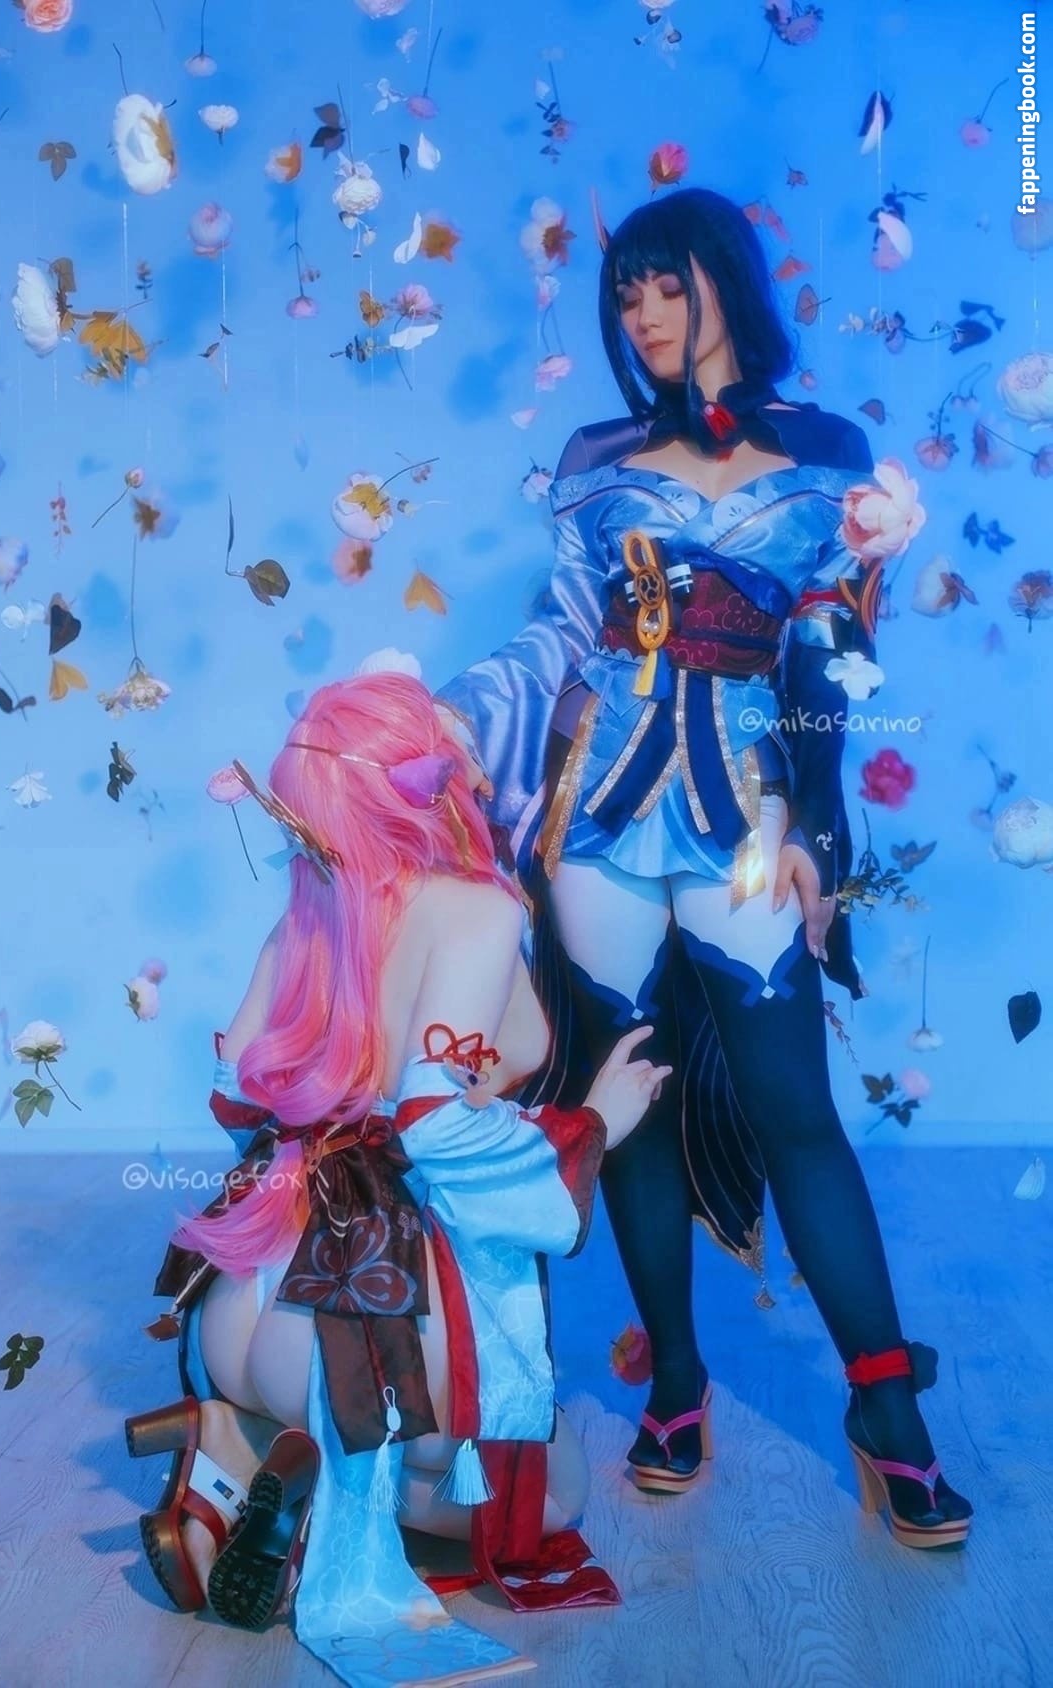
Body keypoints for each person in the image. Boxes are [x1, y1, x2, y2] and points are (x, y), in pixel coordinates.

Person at [435, 186, 972, 1549]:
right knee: (632, 1098)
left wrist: (816, 829)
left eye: (665, 283)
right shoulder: (596, 454)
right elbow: (561, 633)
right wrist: (451, 719)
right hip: (599, 817)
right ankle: (674, 1382)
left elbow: (832, 657)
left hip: (746, 814)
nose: (643, 313)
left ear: (723, 278)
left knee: (796, 1109)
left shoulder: (830, 453)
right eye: (624, 294)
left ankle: (885, 1409)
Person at [126, 671, 672, 1687]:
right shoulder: (474, 910)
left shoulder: (310, 908)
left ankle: (236, 1442)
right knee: (551, 1499)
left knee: (428, 1445)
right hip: (359, 1313)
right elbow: (434, 1126)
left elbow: (236, 1089)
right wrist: (596, 1122)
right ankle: (316, 1513)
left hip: (245, 1298)